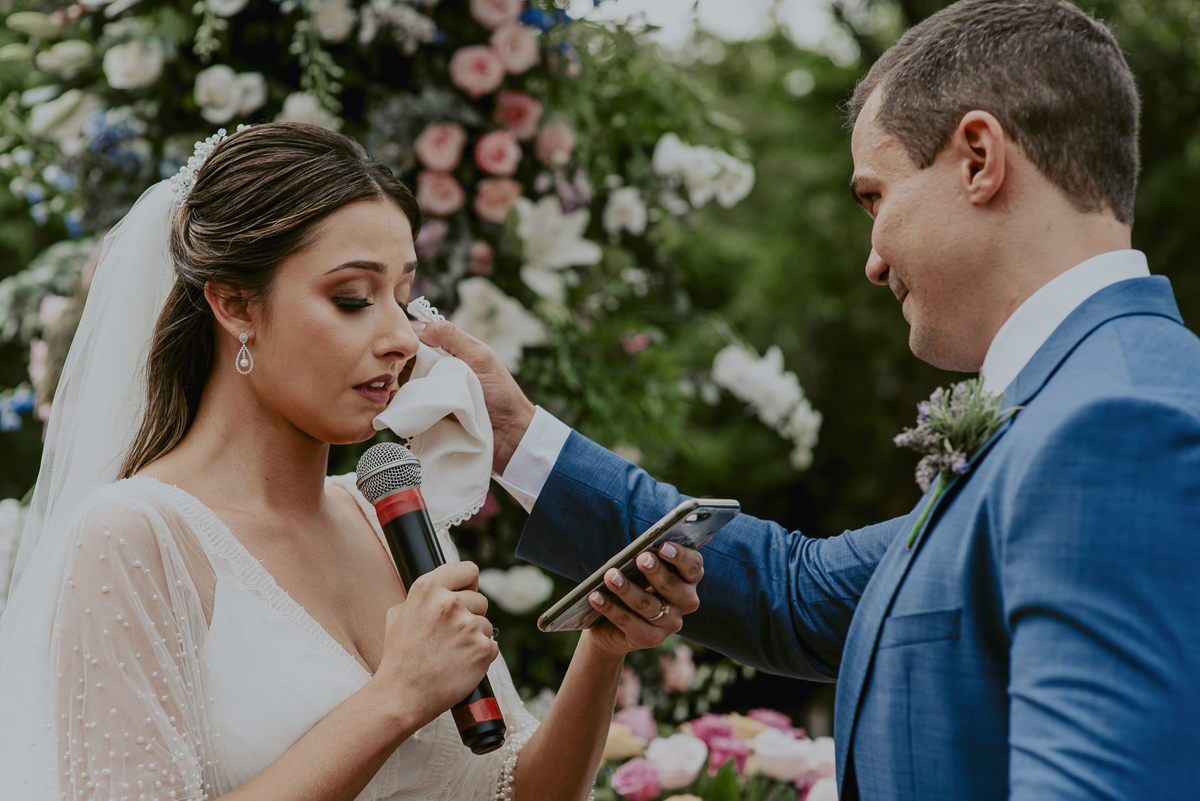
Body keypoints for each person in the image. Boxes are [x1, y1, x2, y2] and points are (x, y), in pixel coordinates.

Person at [415, 1, 1200, 799]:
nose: (872, 259)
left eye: (874, 197)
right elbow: (794, 593)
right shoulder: (1071, 403)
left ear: (977, 158)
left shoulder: (1117, 427)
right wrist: (515, 436)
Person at [0, 121, 707, 801]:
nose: (401, 337)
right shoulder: (133, 534)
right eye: (351, 298)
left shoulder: (384, 513)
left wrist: (603, 648)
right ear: (235, 304)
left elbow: (509, 791)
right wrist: (395, 696)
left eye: (402, 296)